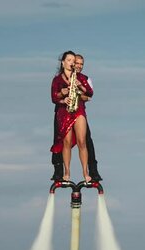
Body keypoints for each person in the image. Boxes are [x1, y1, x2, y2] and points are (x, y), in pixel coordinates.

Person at [50, 50, 94, 182]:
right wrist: (62, 96)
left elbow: (90, 93)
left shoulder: (80, 77)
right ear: (63, 62)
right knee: (67, 142)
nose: (71, 63)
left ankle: (85, 172)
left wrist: (80, 86)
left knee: (82, 141)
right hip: (64, 111)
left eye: (73, 61)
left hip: (78, 109)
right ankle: (67, 172)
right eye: (68, 60)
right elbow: (53, 97)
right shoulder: (57, 80)